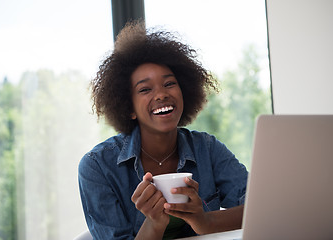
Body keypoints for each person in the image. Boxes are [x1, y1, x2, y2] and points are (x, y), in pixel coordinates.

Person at [78, 21, 248, 240]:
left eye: (169, 84)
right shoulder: (97, 166)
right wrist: (154, 223)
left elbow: (261, 209)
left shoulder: (207, 148)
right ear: (129, 108)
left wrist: (204, 221)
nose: (161, 95)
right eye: (145, 89)